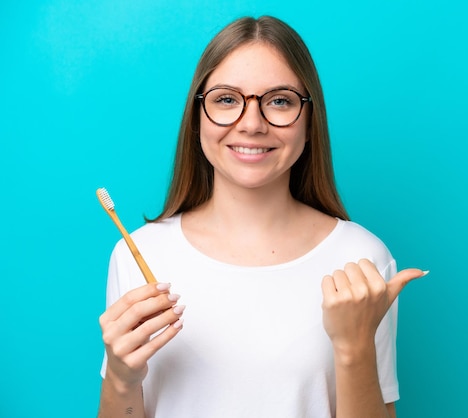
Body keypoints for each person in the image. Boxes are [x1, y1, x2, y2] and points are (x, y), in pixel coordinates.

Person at [98, 15, 427, 418]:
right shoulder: (137, 255)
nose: (251, 124)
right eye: (226, 99)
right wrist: (120, 379)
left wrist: (354, 349)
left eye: (279, 101)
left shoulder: (361, 260)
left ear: (310, 120)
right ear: (197, 115)